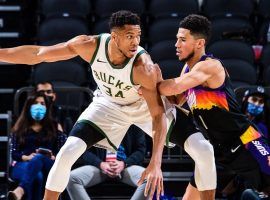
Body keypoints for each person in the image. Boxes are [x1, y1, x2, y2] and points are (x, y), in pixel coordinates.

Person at [0, 11, 216, 200]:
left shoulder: (143, 67)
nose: (135, 41)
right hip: (108, 105)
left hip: (142, 107)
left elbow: (157, 114)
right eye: (130, 36)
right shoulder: (89, 45)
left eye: (138, 36)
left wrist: (155, 163)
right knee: (67, 152)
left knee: (204, 149)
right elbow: (38, 54)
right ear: (114, 37)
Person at [157, 14, 270, 198]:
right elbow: (176, 99)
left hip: (244, 141)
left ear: (200, 43)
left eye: (183, 40)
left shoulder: (210, 66)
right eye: (177, 39)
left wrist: (145, 82)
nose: (176, 44)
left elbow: (173, 87)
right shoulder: (187, 69)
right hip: (216, 150)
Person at [7, 93, 67, 200]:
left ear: (46, 107)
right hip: (23, 164)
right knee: (37, 176)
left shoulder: (55, 126)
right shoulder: (19, 127)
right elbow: (14, 153)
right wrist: (28, 157)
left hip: (49, 164)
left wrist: (55, 156)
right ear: (28, 106)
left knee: (39, 158)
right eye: (35, 103)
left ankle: (20, 190)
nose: (38, 106)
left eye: (42, 103)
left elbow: (64, 149)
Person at [67, 125, 147, 200]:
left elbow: (141, 150)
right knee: (71, 178)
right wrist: (100, 164)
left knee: (150, 179)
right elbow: (84, 150)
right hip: (100, 167)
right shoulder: (95, 120)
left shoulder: (134, 123)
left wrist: (124, 164)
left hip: (126, 166)